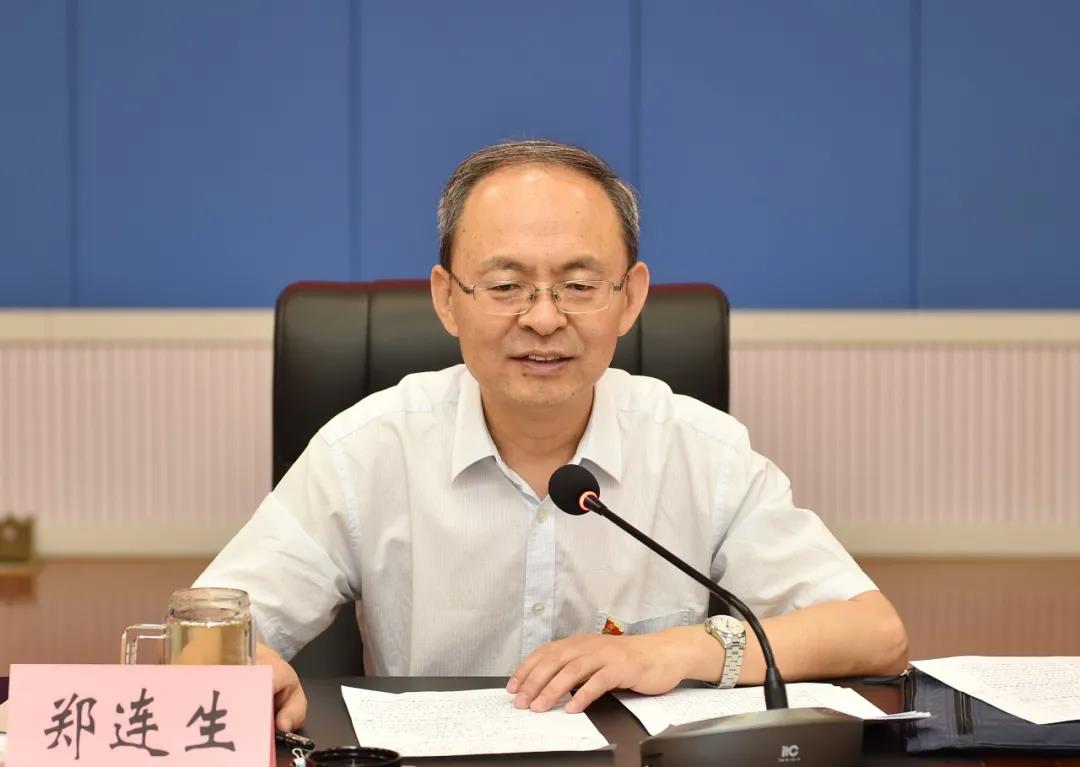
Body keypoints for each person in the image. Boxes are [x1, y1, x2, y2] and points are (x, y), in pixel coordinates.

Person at [194, 139, 908, 732]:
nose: (543, 318)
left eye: (578, 285)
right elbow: (200, 641)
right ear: (447, 299)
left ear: (630, 298)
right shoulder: (366, 450)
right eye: (506, 286)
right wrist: (244, 665)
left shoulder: (700, 450)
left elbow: (875, 633)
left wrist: (674, 651)